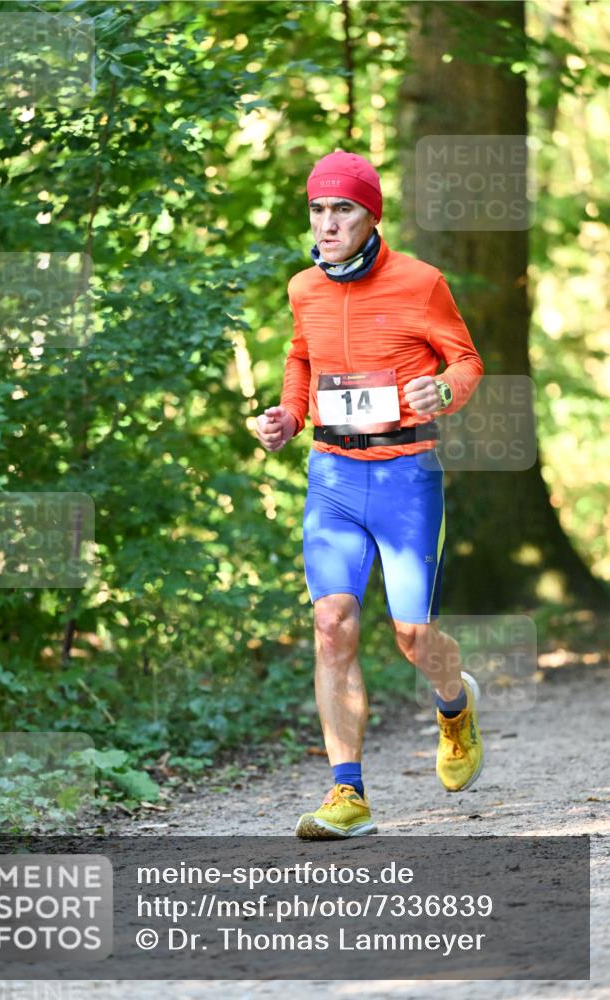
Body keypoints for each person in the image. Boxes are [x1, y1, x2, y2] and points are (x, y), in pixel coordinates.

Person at [255, 150, 485, 839]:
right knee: (331, 625)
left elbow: (466, 360)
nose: (326, 224)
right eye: (317, 209)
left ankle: (454, 704)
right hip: (331, 477)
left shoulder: (421, 282)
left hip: (404, 478)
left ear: (370, 215)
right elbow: (301, 356)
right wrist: (289, 414)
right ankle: (347, 793)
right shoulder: (304, 288)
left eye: (343, 210)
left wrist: (443, 389)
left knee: (413, 636)